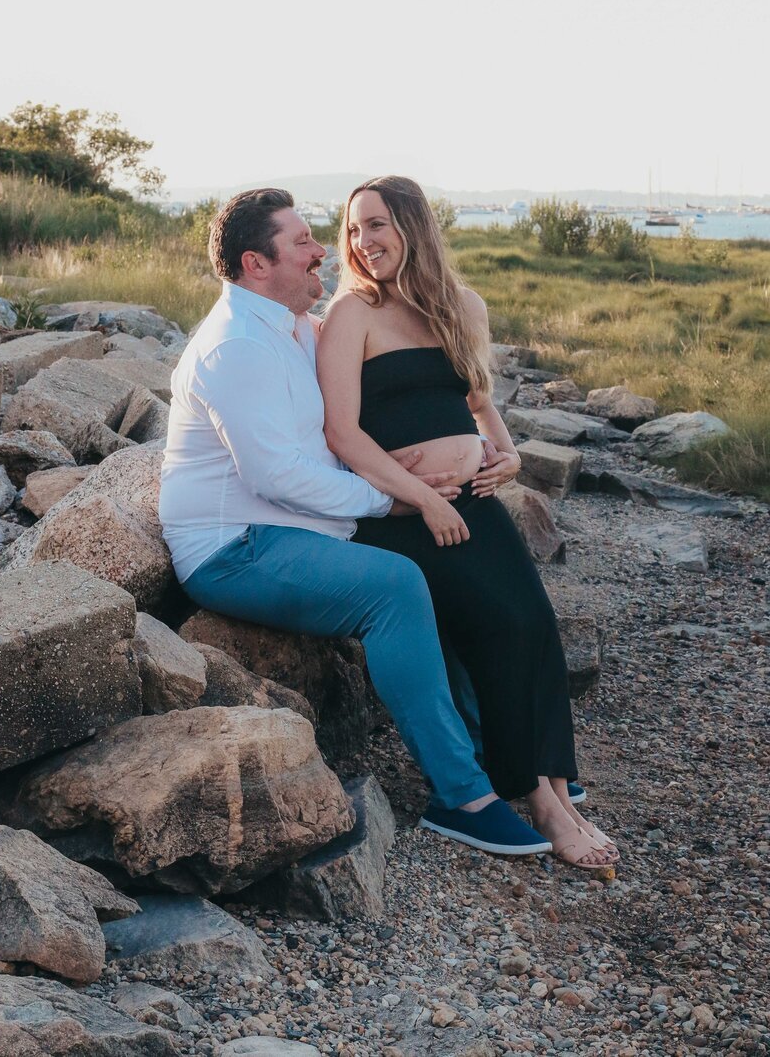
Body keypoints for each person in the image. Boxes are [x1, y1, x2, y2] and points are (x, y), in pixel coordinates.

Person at [159, 187, 554, 859]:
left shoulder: (290, 327)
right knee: (396, 585)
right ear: (257, 263)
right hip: (236, 546)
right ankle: (463, 796)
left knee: (435, 568)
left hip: (292, 525)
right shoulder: (235, 348)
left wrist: (449, 452)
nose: (324, 251)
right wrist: (393, 500)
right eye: (304, 241)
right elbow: (273, 476)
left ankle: (498, 755)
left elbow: (353, 418)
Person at [317, 176, 619, 868]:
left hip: (470, 501)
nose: (364, 242)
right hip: (400, 513)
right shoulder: (352, 316)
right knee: (500, 624)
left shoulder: (462, 307)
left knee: (533, 621)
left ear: (413, 228)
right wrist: (422, 499)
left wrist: (507, 457)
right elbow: (342, 434)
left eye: (378, 225)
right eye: (356, 229)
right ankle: (542, 795)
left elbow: (480, 403)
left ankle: (552, 790)